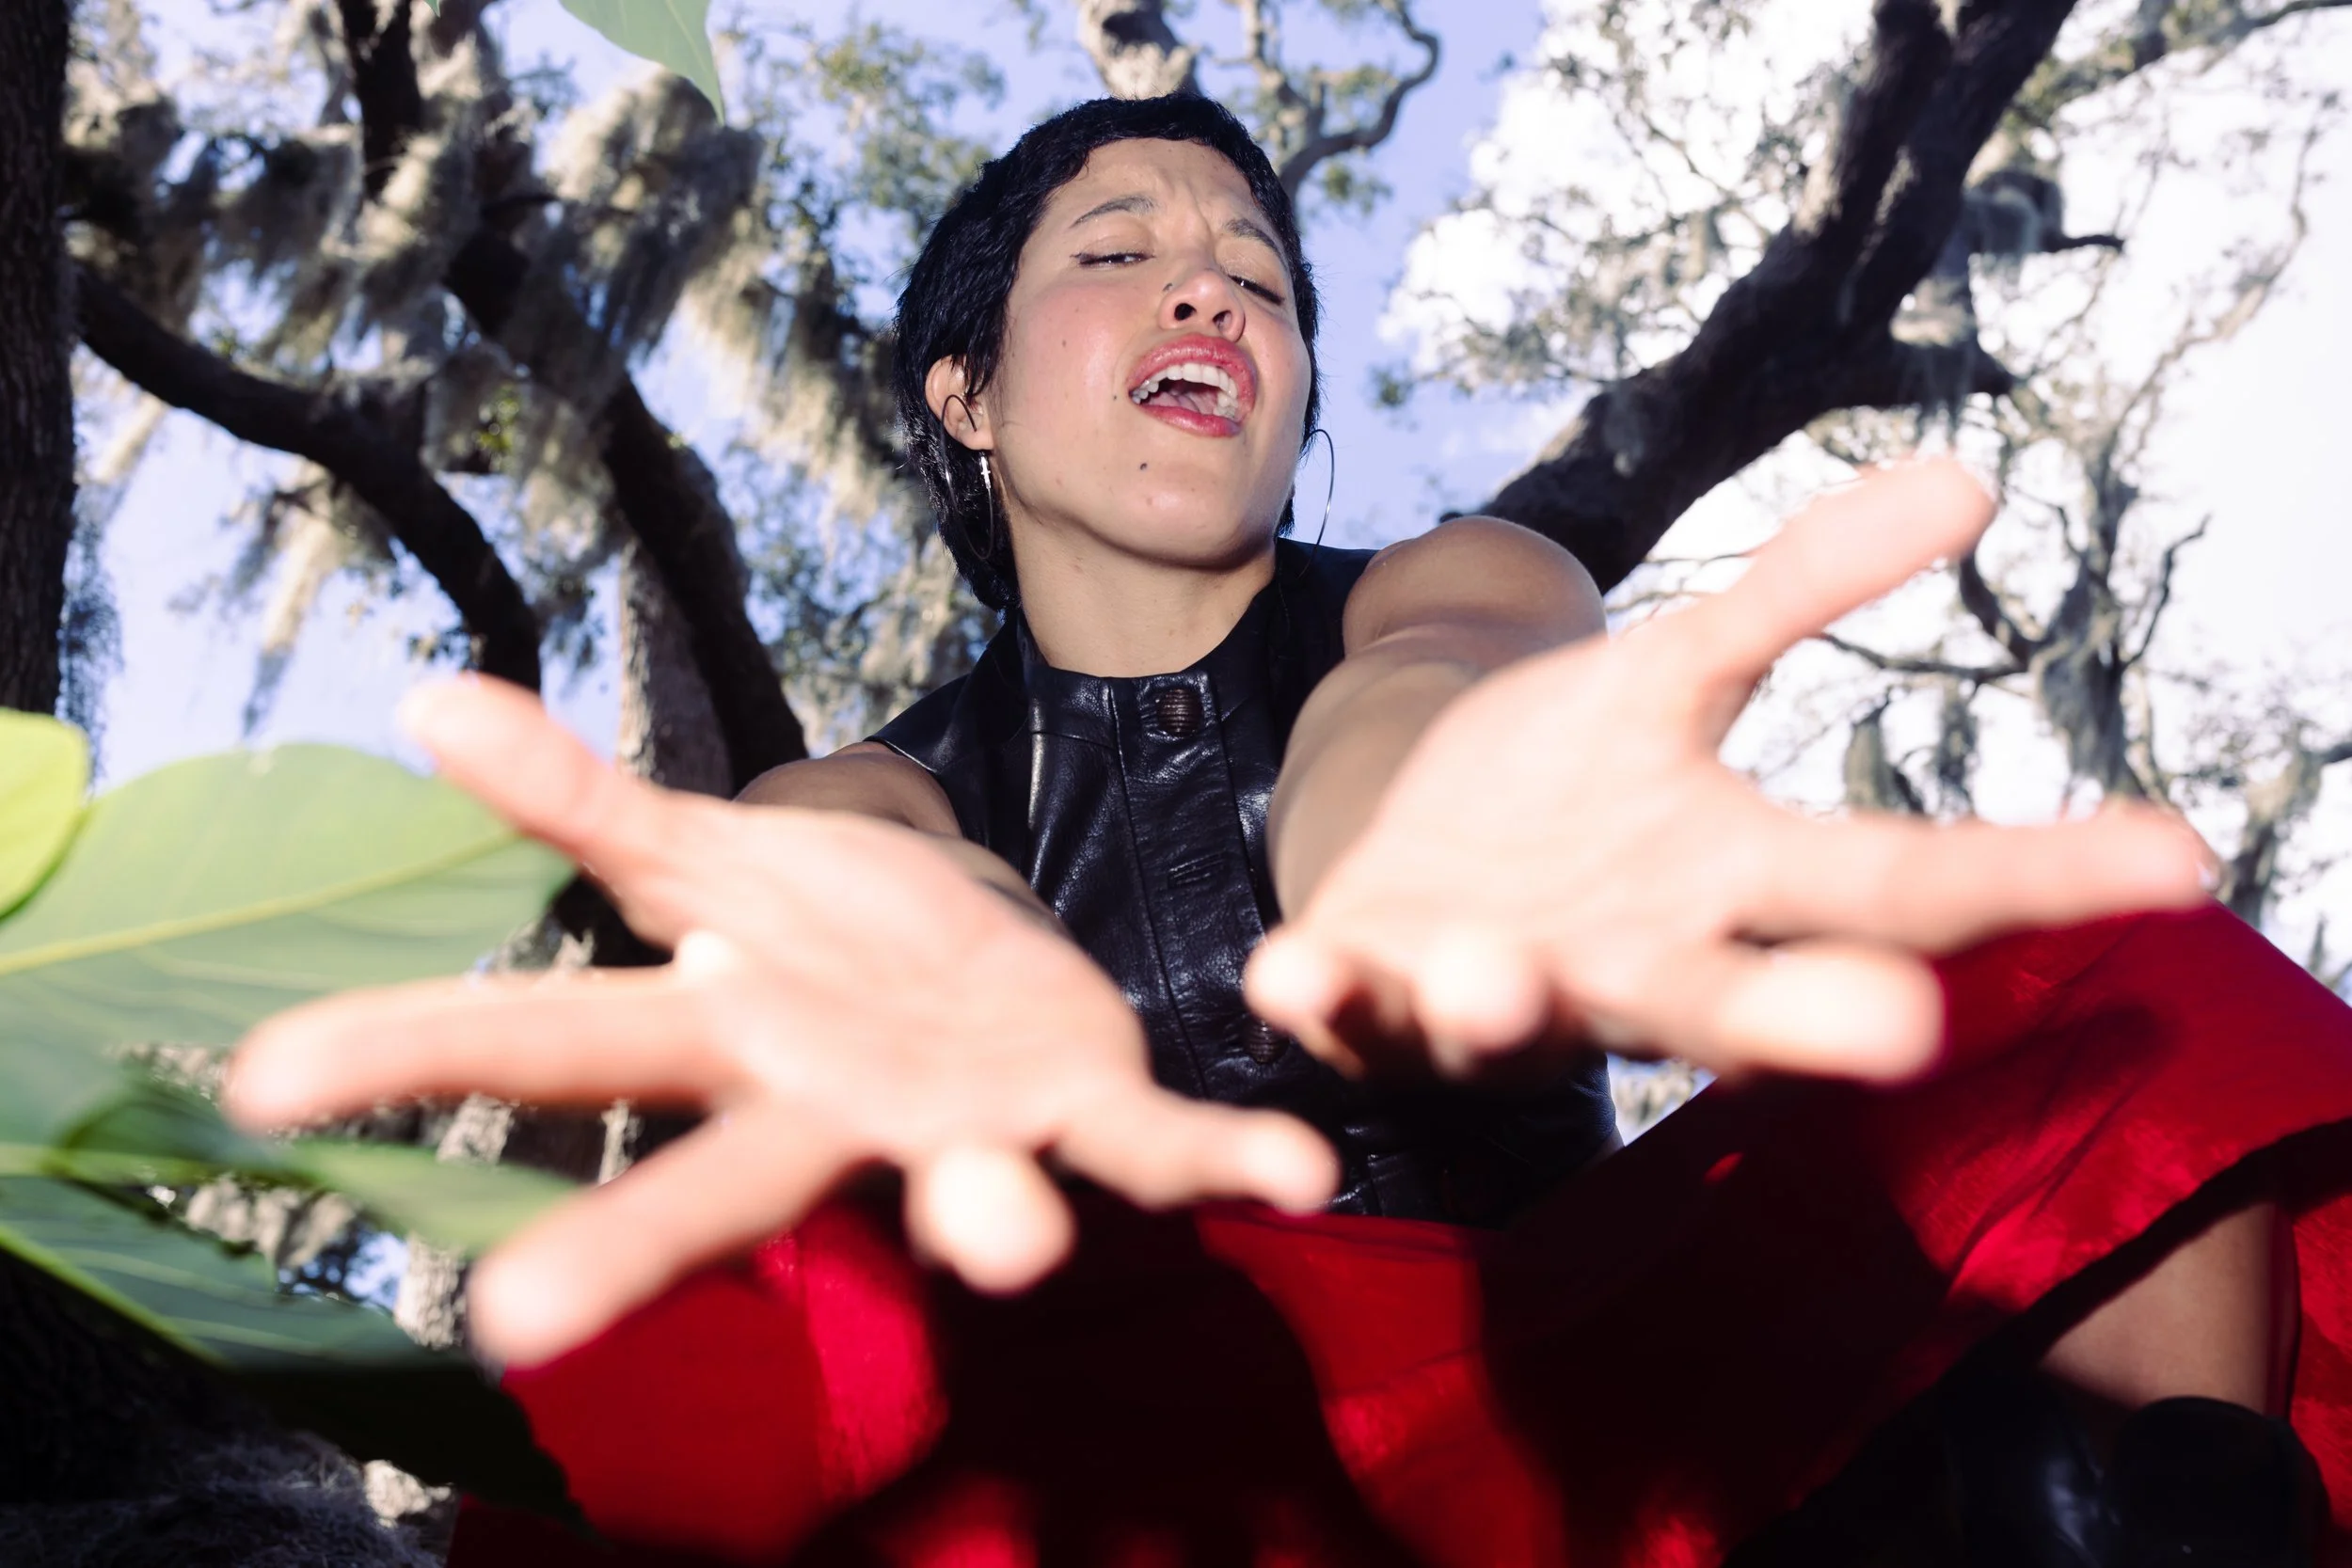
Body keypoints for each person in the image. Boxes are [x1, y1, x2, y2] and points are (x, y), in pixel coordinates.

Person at [227, 97, 2352, 1566]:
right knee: (721, 1280)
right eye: (1119, 252)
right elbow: (854, 860)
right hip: (1162, 1449)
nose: (1209, 295)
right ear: (962, 394)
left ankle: (2143, 1508)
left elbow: (1413, 710)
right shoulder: (887, 768)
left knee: (2106, 970)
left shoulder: (1452, 585)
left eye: (1257, 270)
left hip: (1576, 1379)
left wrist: (1405, 846)